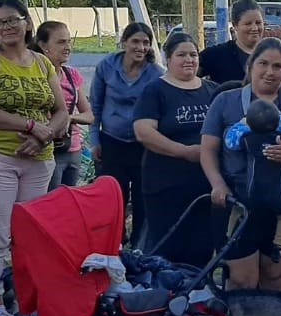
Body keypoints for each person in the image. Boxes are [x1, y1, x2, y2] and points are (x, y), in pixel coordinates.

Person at [201, 39, 281, 316]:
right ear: (250, 67)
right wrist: (218, 185)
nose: (270, 71)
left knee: (277, 277)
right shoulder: (227, 102)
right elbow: (208, 150)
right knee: (242, 281)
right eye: (263, 64)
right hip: (238, 206)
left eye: (278, 66)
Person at [0, 0, 68, 316]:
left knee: (29, 235)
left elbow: (61, 109)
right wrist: (28, 126)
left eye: (13, 20)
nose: (8, 27)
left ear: (27, 23)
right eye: (0, 22)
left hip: (38, 160)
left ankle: (28, 301)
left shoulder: (42, 63)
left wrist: (43, 135)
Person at [133, 32, 219, 265]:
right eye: (181, 54)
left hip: (205, 186)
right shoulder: (155, 91)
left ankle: (197, 297)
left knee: (202, 248)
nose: (189, 59)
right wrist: (183, 151)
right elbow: (144, 131)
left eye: (193, 54)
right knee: (168, 249)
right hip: (166, 186)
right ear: (168, 58)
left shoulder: (213, 90)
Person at [90, 21, 161, 241]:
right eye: (135, 41)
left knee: (143, 198)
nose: (141, 47)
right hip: (111, 141)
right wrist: (94, 140)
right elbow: (95, 105)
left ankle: (140, 245)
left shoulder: (156, 74)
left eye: (146, 43)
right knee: (113, 196)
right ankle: (114, 243)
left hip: (143, 145)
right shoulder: (106, 67)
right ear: (124, 43)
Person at [33, 21, 93, 190]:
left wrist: (69, 118)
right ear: (44, 46)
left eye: (69, 41)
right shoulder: (35, 75)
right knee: (51, 204)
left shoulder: (71, 74)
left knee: (69, 203)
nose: (67, 47)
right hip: (47, 150)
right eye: (61, 42)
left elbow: (89, 115)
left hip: (72, 149)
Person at [199, 0, 265, 84]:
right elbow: (186, 75)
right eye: (248, 24)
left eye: (258, 23)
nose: (254, 28)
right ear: (235, 25)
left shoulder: (272, 54)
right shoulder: (217, 54)